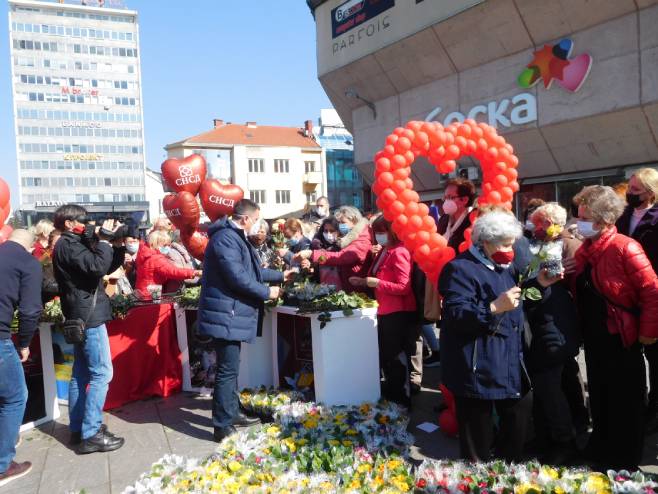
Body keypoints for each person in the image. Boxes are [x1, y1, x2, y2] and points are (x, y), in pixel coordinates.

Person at [439, 211, 559, 462]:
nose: (510, 249)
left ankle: (506, 473)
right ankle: (477, 481)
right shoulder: (460, 268)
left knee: (518, 420)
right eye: (505, 244)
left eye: (512, 243)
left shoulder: (504, 265)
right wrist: (492, 308)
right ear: (485, 241)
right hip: (476, 363)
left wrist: (540, 284)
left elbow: (520, 297)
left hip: (508, 357)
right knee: (477, 437)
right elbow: (456, 314)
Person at [569, 185, 658, 470]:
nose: (578, 222)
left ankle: (624, 458)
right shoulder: (588, 247)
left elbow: (652, 291)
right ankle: (602, 447)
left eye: (583, 216)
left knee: (626, 401)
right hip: (596, 336)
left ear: (602, 219)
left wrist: (648, 332)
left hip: (622, 337)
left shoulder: (625, 246)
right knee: (601, 394)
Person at [197, 199, 288, 443]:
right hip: (226, 314)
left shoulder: (235, 237)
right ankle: (222, 425)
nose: (257, 225)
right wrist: (266, 292)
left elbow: (252, 272)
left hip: (230, 313)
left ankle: (231, 411)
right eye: (256, 219)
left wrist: (281, 275)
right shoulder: (227, 238)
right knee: (227, 370)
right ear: (246, 218)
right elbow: (237, 277)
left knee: (231, 368)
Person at [52, 204, 126, 454]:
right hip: (88, 317)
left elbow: (102, 266)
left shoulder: (73, 242)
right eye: (82, 220)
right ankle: (91, 432)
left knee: (80, 375)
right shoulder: (67, 244)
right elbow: (95, 267)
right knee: (101, 374)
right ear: (69, 223)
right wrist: (103, 240)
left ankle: (78, 429)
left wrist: (116, 246)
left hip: (83, 314)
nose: (87, 223)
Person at [524, 203, 581, 464]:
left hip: (554, 326)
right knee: (546, 387)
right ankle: (546, 437)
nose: (536, 228)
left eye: (541, 223)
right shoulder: (544, 247)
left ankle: (565, 442)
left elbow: (541, 290)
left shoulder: (564, 248)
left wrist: (530, 290)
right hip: (544, 325)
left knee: (550, 388)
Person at [349, 216, 416, 407]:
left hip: (397, 312)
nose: (378, 236)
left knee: (396, 358)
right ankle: (393, 395)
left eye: (381, 232)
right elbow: (376, 275)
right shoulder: (385, 250)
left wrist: (377, 283)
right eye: (376, 232)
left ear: (392, 231)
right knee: (387, 356)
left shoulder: (400, 251)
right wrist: (362, 281)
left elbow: (404, 287)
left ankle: (401, 399)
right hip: (384, 309)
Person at [615, 168, 658, 430]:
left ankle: (655, 407)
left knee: (655, 357)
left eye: (635, 190)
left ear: (651, 193)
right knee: (629, 355)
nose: (629, 194)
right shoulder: (624, 216)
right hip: (625, 297)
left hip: (649, 293)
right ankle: (635, 403)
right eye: (629, 188)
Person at [0, 230, 42, 487]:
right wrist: (25, 343)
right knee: (15, 397)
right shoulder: (28, 262)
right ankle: (3, 464)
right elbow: (30, 309)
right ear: (31, 246)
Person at [295, 206, 373, 292]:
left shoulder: (362, 240)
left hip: (357, 290)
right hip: (349, 287)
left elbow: (340, 257)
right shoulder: (348, 238)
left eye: (343, 222)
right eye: (339, 223)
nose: (340, 225)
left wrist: (312, 254)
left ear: (354, 221)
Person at [134, 230, 201, 298]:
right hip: (151, 294)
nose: (168, 247)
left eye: (169, 245)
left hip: (142, 290)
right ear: (155, 244)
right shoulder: (156, 259)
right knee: (155, 307)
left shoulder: (144, 254)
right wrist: (194, 272)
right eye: (165, 245)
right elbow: (173, 271)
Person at [437, 178, 475, 251]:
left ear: (464, 200)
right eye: (445, 197)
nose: (446, 201)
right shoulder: (443, 219)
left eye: (450, 197)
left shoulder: (472, 221)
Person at [310, 217, 342, 287]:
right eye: (326, 231)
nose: (328, 234)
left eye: (332, 231)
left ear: (338, 231)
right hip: (321, 284)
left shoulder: (343, 246)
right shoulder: (316, 245)